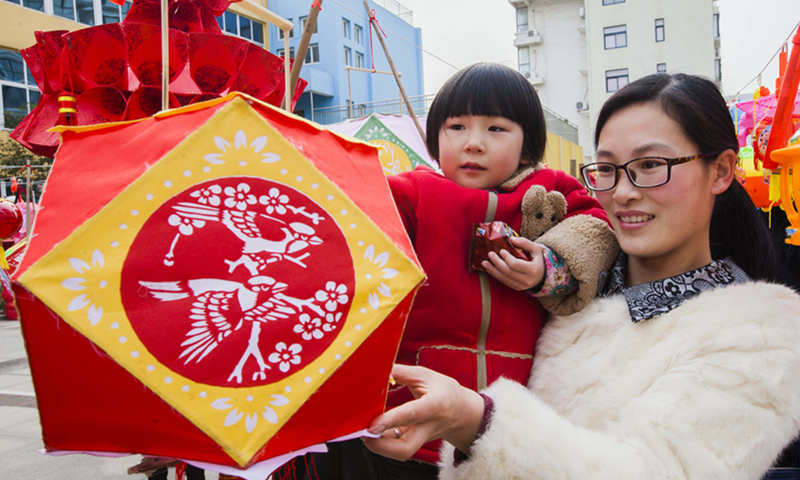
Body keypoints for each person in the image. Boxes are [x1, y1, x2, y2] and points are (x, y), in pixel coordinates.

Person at [363, 73, 800, 480]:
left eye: (650, 165)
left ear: (721, 171)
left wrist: (475, 422)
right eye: (607, 169)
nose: (623, 192)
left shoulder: (763, 332)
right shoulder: (569, 287)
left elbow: (651, 470)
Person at [309, 63, 618, 480]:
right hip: (408, 409)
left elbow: (596, 228)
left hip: (507, 419)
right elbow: (356, 228)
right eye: (456, 127)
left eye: (496, 129)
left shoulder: (553, 190)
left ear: (527, 146)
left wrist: (547, 268)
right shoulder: (413, 193)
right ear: (436, 138)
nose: (473, 143)